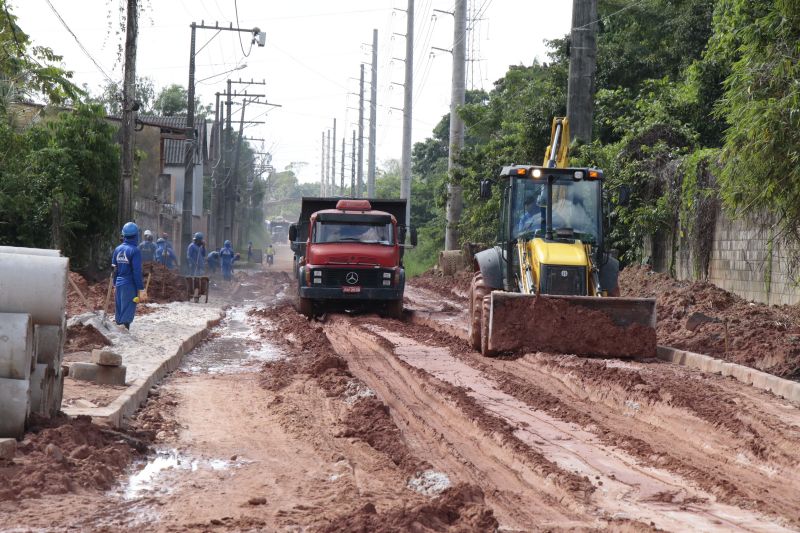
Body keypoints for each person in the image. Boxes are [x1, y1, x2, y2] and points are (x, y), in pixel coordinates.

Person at [111, 222, 145, 330]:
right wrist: (140, 288)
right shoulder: (135, 251)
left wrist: (114, 284)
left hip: (119, 284)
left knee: (119, 311)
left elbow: (114, 269)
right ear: (136, 236)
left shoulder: (117, 249)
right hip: (129, 285)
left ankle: (119, 335)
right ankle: (124, 334)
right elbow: (136, 272)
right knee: (127, 312)